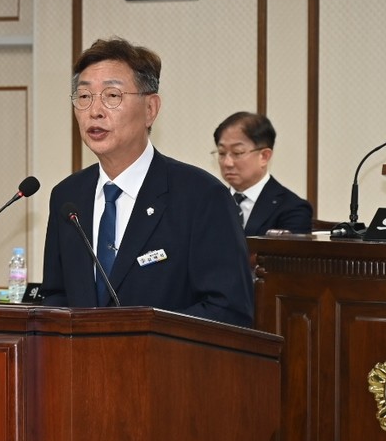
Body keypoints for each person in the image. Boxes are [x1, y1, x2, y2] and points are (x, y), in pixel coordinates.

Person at [41, 37, 254, 327]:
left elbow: (229, 310)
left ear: (150, 109)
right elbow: (56, 296)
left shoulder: (201, 196)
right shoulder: (68, 197)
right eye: (84, 96)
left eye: (112, 95)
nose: (95, 110)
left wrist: (146, 338)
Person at [213, 111, 313, 235]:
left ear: (264, 156)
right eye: (222, 153)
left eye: (237, 152)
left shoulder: (293, 209)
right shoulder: (210, 203)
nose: (227, 163)